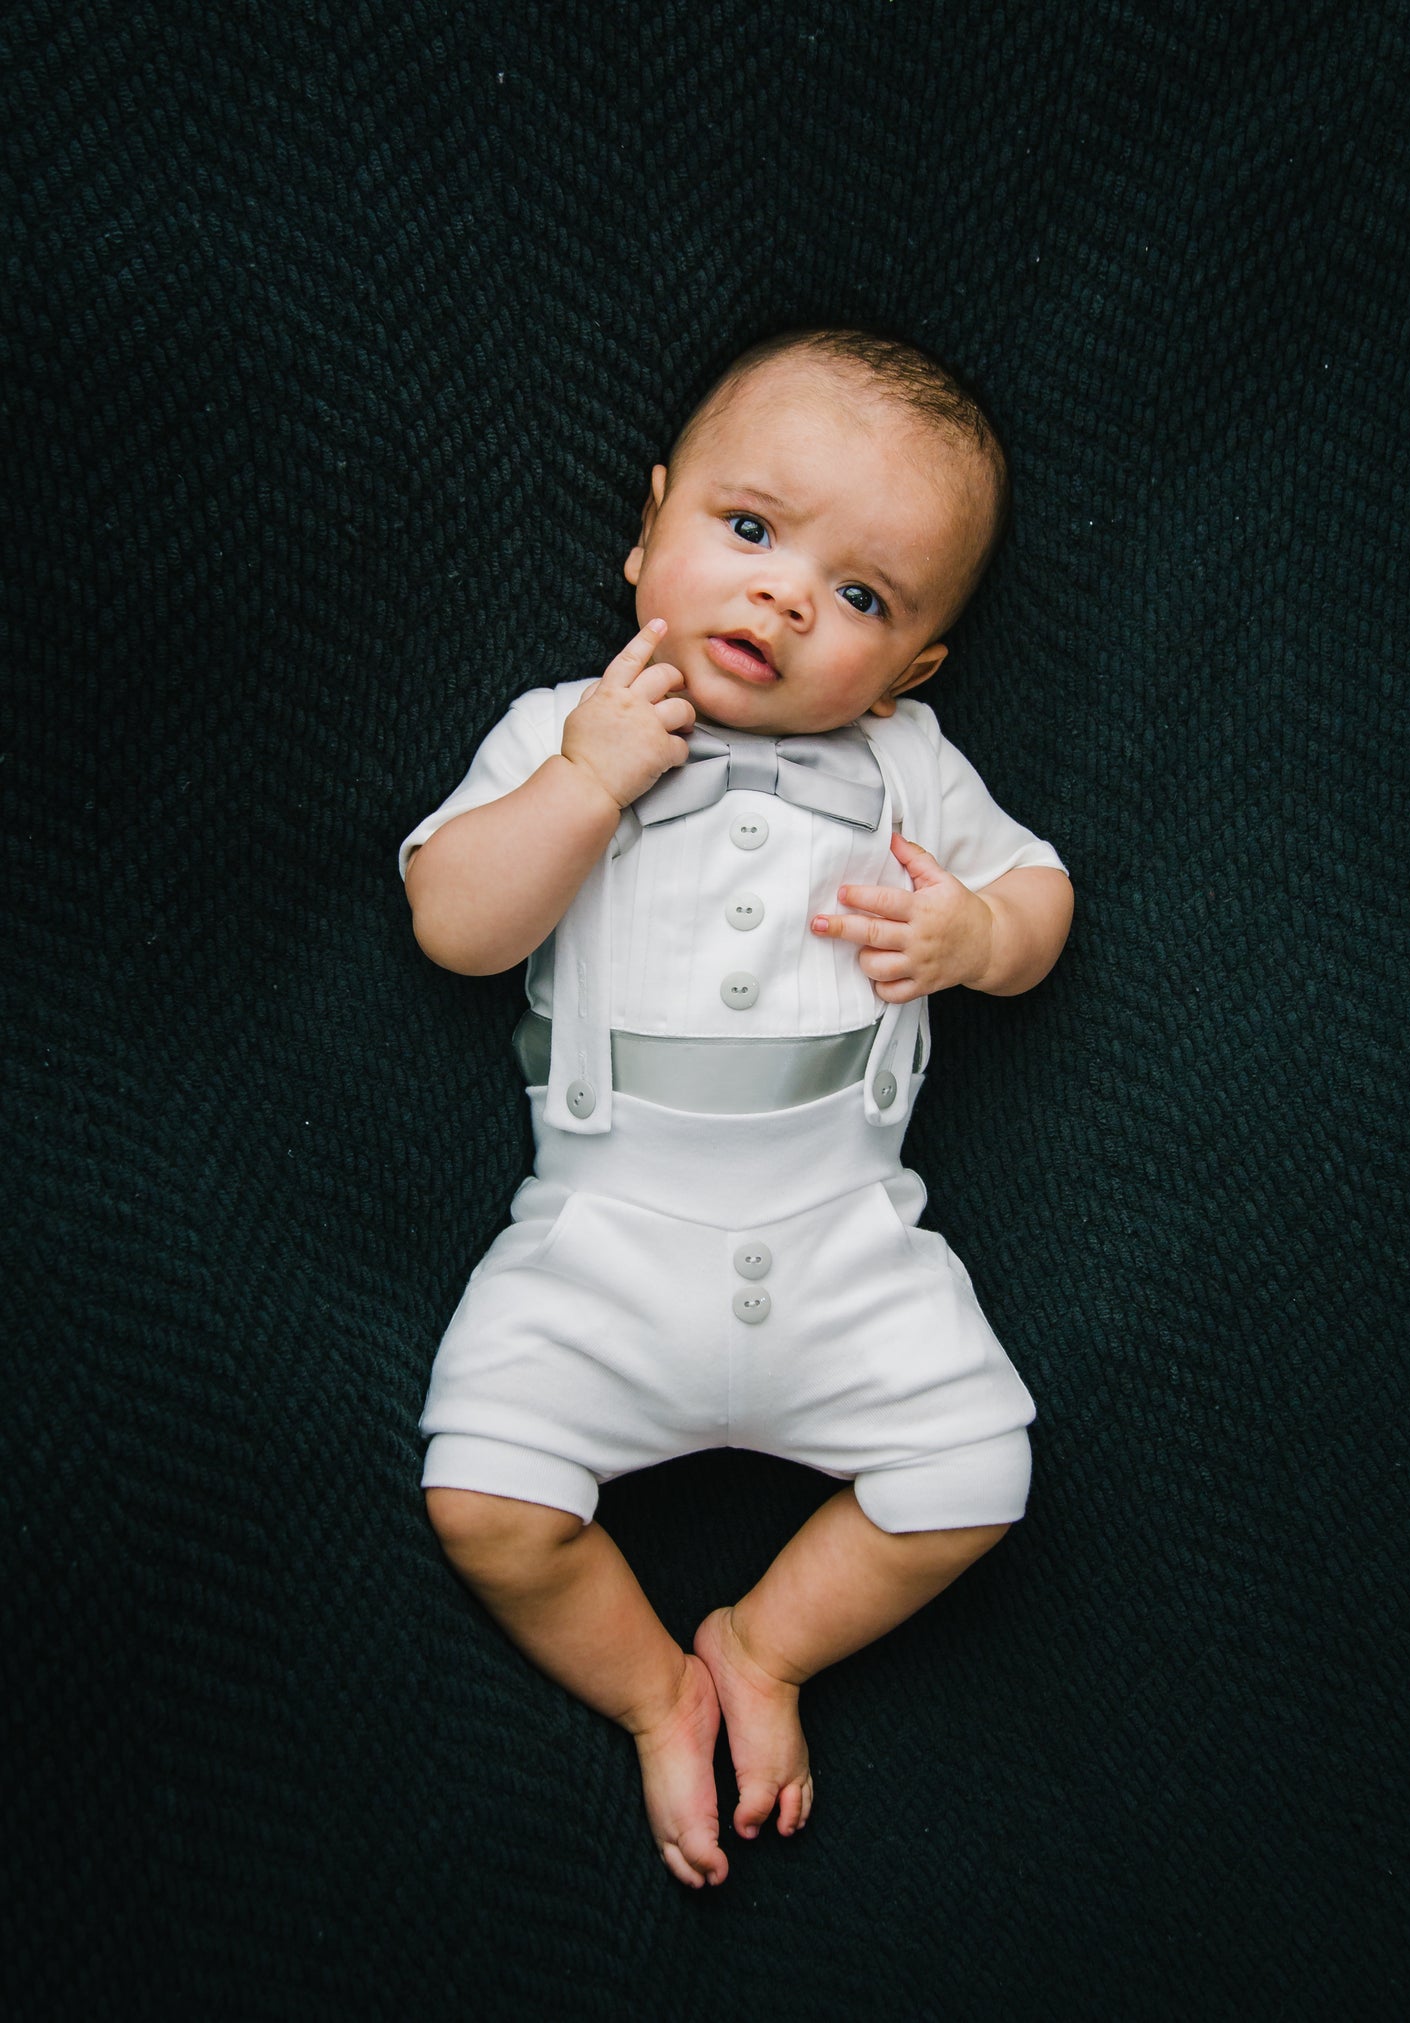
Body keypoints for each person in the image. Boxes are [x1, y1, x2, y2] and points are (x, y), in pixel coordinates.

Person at [401, 328, 1074, 1890]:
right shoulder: (559, 724)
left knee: (977, 1478)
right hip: (599, 1244)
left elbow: (1038, 893)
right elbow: (455, 923)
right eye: (750, 531)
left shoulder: (910, 766)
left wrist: (976, 939)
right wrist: (586, 783)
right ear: (650, 525)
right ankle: (655, 1693)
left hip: (845, 1244)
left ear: (910, 670)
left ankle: (761, 1649)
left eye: (860, 596)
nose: (781, 594)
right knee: (486, 1499)